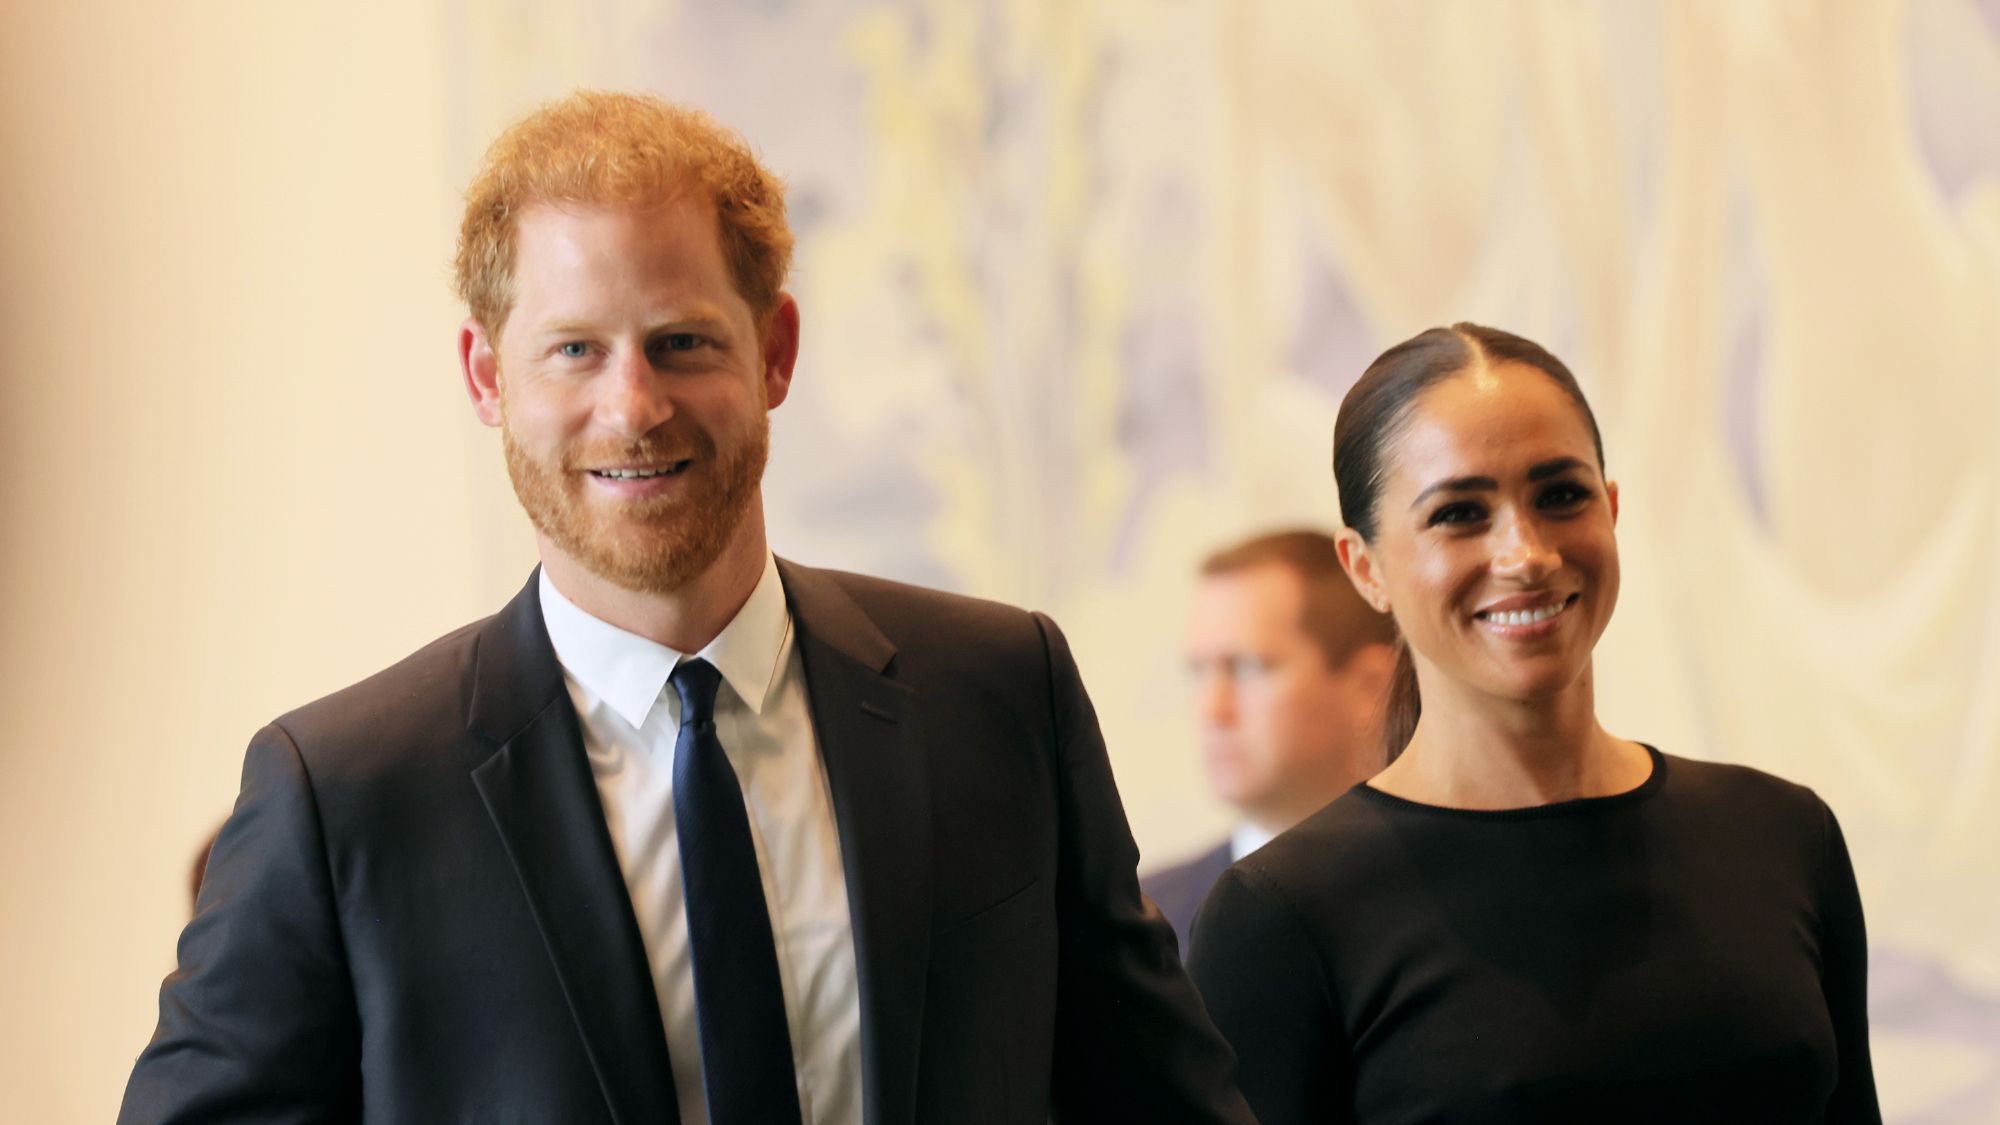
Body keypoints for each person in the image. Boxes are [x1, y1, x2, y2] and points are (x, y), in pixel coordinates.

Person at [119, 91, 1256, 1125]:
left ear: (774, 352)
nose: (634, 406)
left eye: (681, 343)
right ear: (486, 380)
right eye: (573, 350)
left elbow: (1158, 1100)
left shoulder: (1000, 692)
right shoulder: (344, 796)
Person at [1188, 323, 1880, 1123]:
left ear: (1611, 508)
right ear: (1365, 568)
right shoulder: (1282, 915)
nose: (1526, 552)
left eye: (1560, 495)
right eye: (1459, 513)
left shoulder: (1783, 834)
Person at [1143, 530, 1394, 949]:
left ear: (1371, 686)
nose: (1212, 709)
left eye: (1247, 668)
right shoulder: (1143, 924)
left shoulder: (1453, 892)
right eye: (1199, 672)